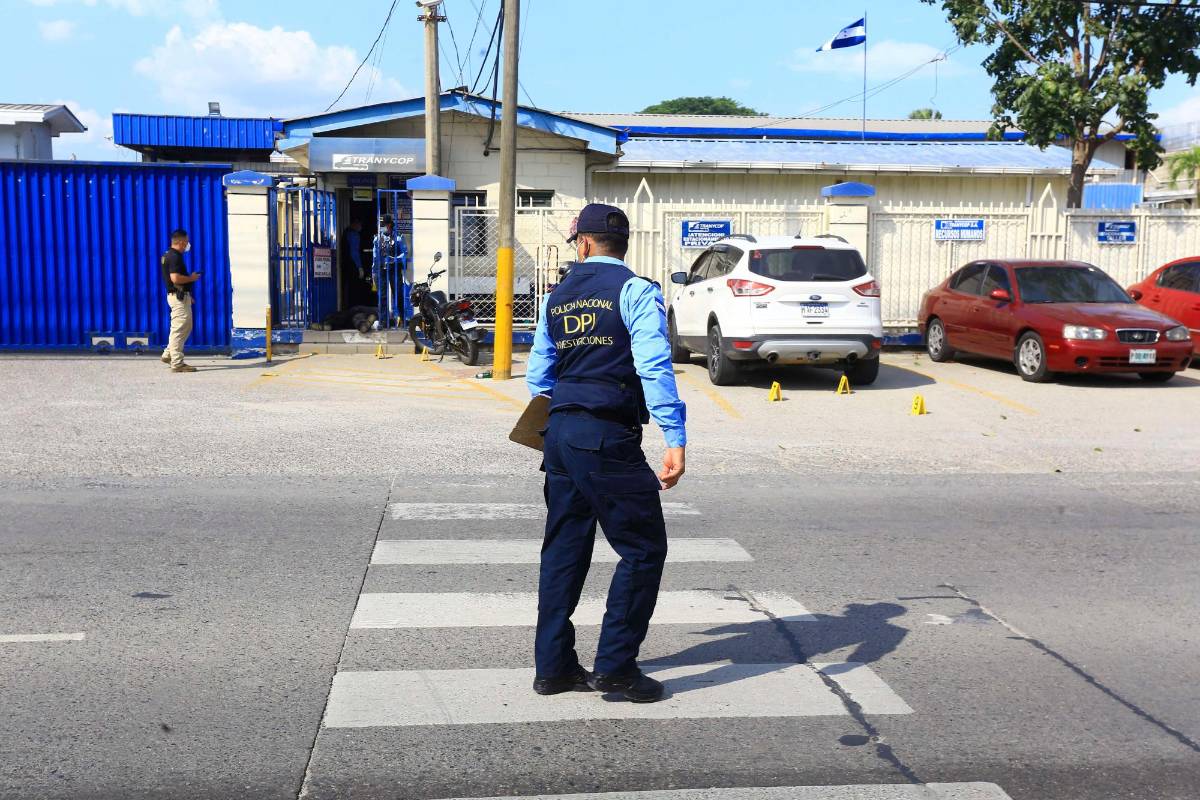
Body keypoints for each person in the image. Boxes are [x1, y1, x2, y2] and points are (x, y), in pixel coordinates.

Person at [526, 203, 687, 704]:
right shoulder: (637, 292)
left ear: (585, 243)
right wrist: (674, 436)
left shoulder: (556, 297)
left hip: (561, 432)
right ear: (620, 243)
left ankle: (553, 668)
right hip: (607, 435)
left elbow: (538, 376)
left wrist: (553, 429)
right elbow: (654, 367)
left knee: (564, 550)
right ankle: (616, 668)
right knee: (642, 550)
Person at [159, 229, 200, 373]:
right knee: (179, 329)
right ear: (182, 242)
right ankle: (177, 363)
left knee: (184, 327)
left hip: (180, 295)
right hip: (178, 297)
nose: (188, 244)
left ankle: (169, 353)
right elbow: (175, 278)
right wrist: (192, 278)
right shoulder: (175, 256)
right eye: (187, 241)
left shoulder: (168, 255)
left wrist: (189, 295)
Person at [341, 219, 365, 307]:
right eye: (359, 225)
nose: (360, 228)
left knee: (347, 286)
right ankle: (354, 306)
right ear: (355, 225)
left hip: (345, 264)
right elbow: (354, 252)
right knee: (354, 287)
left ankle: (348, 305)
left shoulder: (346, 233)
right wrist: (359, 267)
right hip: (352, 265)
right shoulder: (354, 235)